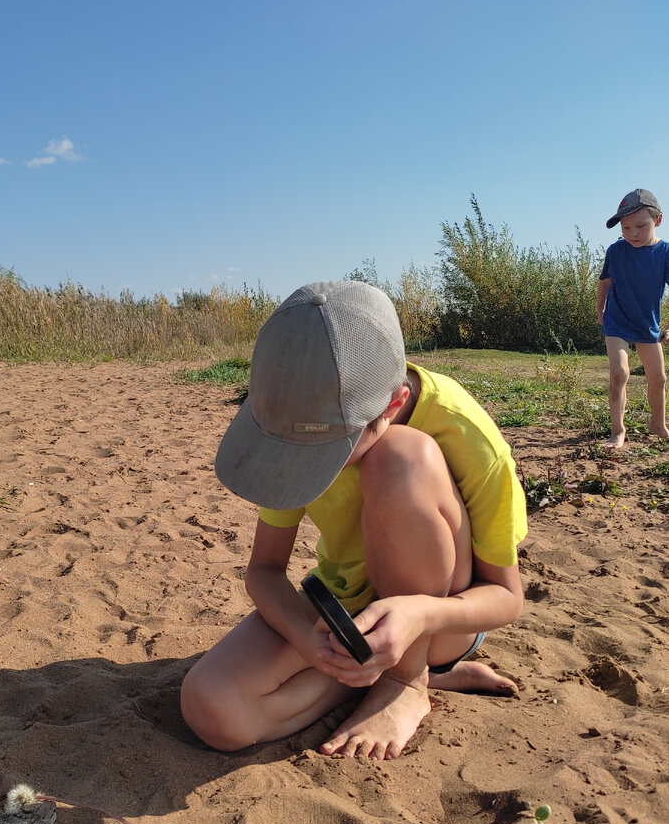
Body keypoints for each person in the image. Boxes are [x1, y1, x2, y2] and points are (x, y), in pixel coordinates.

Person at [181, 281, 527, 761]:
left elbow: (507, 598)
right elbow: (264, 571)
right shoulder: (295, 412)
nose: (303, 467)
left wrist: (417, 615)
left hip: (439, 619)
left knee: (401, 458)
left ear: (390, 406)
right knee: (214, 709)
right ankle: (378, 675)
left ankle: (410, 679)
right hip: (343, 615)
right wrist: (309, 639)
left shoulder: (464, 433)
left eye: (323, 455)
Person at [597, 188, 669, 449]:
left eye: (640, 226)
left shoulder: (665, 253)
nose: (633, 233)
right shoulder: (615, 252)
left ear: (658, 220)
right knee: (619, 372)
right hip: (616, 322)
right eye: (626, 228)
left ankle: (658, 424)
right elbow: (605, 283)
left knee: (658, 378)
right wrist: (600, 312)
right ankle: (618, 431)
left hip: (647, 324)